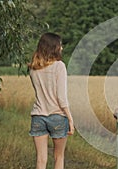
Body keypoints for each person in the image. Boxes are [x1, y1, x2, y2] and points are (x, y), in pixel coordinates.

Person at [28, 32, 74, 169]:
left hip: (38, 116)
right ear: (54, 47)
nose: (62, 48)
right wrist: (70, 118)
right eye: (60, 45)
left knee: (41, 160)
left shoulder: (33, 68)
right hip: (57, 116)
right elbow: (61, 97)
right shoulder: (59, 66)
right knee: (58, 157)